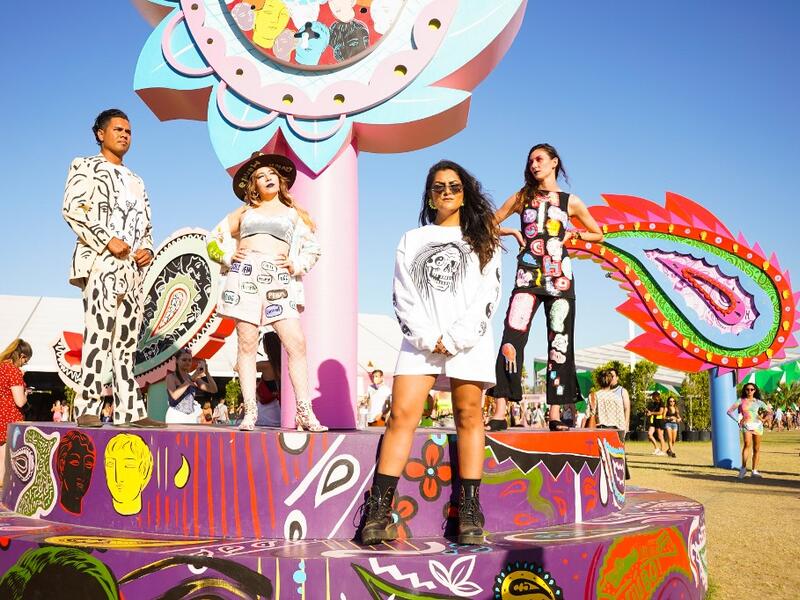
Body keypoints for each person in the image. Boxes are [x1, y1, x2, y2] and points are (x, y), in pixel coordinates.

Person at [360, 160, 502, 546]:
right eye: (438, 187)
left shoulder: (483, 239)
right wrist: (427, 337)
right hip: (420, 341)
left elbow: (488, 294)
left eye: (454, 186)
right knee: (401, 415)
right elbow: (402, 293)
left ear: (465, 191)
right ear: (429, 194)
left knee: (469, 416)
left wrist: (455, 338)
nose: (446, 192)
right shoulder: (412, 238)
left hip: (468, 341)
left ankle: (469, 512)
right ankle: (378, 513)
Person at [486, 144, 603, 431]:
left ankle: (555, 414)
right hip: (527, 277)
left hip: (560, 279)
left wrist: (573, 237)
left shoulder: (570, 201)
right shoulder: (522, 196)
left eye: (539, 159)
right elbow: (488, 223)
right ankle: (501, 410)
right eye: (530, 161)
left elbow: (598, 233)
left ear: (554, 162)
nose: (534, 165)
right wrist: (512, 231)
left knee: (559, 344)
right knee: (511, 338)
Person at [207, 152, 325, 432]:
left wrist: (296, 264)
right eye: (260, 176)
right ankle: (250, 412)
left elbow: (314, 249)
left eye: (271, 173)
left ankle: (304, 411)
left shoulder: (294, 214)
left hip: (278, 280)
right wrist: (227, 256)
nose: (267, 178)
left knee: (295, 342)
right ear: (253, 186)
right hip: (244, 277)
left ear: (280, 180)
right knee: (247, 343)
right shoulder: (245, 213)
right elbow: (213, 239)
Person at [62, 108, 164, 428]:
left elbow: (146, 224)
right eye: (118, 129)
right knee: (98, 334)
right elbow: (73, 209)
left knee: (127, 341)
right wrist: (107, 240)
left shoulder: (137, 180)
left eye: (129, 131)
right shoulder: (86, 166)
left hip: (133, 269)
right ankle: (88, 405)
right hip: (102, 262)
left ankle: (129, 410)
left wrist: (147, 247)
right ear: (100, 134)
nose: (124, 135)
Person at [0, 339, 32, 485]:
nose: (25, 363)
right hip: (9, 421)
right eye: (26, 360)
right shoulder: (13, 371)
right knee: (5, 466)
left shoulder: (1, 367)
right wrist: (26, 392)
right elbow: (19, 401)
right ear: (21, 356)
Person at [591, 369, 631, 479]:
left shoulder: (595, 395)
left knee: (602, 459)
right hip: (616, 429)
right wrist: (623, 429)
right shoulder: (617, 397)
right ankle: (620, 479)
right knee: (617, 457)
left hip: (602, 429)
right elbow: (621, 415)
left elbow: (590, 414)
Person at [165, 349, 218, 424]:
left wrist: (207, 372)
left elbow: (213, 389)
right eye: (184, 360)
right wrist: (191, 379)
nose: (187, 362)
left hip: (191, 417)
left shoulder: (193, 377)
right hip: (176, 416)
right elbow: (174, 395)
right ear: (176, 361)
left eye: (189, 360)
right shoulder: (171, 377)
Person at [727, 383, 768, 479]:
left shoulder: (759, 402)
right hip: (746, 426)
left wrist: (764, 419)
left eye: (752, 389)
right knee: (747, 444)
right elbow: (729, 411)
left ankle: (754, 471)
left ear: (755, 391)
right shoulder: (741, 400)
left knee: (756, 448)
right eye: (747, 389)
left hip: (757, 426)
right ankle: (743, 468)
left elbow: (770, 412)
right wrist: (738, 420)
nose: (749, 391)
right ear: (745, 390)